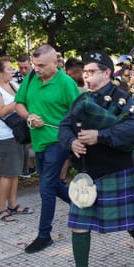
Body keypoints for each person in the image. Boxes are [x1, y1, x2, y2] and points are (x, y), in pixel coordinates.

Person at [53, 51, 134, 267]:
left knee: (129, 220)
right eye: (85, 72)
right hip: (87, 172)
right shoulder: (82, 99)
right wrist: (71, 142)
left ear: (107, 72)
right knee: (78, 224)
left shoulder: (122, 98)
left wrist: (100, 136)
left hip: (117, 169)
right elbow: (64, 126)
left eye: (91, 72)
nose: (86, 77)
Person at [15, 45, 81, 253]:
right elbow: (19, 104)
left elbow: (79, 112)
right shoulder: (31, 78)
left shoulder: (66, 83)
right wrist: (29, 116)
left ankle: (44, 235)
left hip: (58, 141)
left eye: (41, 65)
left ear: (55, 63)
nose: (37, 69)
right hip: (38, 141)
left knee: (45, 187)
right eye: (35, 65)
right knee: (52, 184)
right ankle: (84, 207)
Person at [0, 57, 31, 221]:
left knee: (15, 172)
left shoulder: (13, 84)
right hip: (3, 137)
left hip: (17, 134)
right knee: (7, 173)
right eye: (9, 69)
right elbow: (1, 110)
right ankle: (1, 208)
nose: (13, 71)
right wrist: (19, 100)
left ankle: (12, 204)